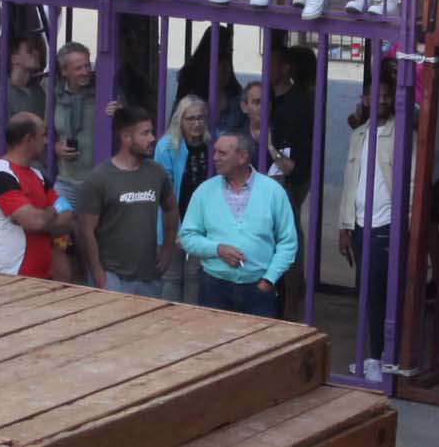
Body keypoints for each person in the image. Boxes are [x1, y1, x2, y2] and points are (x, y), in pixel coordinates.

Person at [181, 128, 299, 317]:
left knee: (259, 346)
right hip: (214, 288)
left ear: (242, 157)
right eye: (215, 151)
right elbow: (187, 236)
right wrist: (217, 249)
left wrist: (269, 280)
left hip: (258, 290)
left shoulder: (273, 192)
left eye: (222, 153)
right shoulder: (204, 191)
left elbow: (288, 241)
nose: (215, 158)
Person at [70, 105, 175, 298]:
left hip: (150, 278)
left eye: (151, 132)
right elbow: (85, 229)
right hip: (114, 278)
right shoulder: (100, 177)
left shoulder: (157, 172)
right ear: (126, 138)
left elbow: (170, 210)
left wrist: (168, 249)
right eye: (145, 133)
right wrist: (98, 275)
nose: (152, 138)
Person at [0, 112, 71, 281]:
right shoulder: (0, 174)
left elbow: (68, 215)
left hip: (42, 279)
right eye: (43, 135)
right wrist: (50, 212)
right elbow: (35, 222)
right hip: (10, 279)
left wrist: (41, 215)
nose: (47, 141)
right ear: (29, 139)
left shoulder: (39, 176)